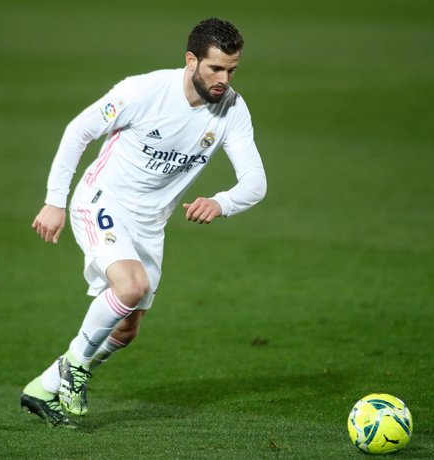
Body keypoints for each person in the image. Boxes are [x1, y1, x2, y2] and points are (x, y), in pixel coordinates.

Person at [20, 17, 267, 427]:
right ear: (191, 60)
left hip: (151, 223)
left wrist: (221, 202)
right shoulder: (143, 91)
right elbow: (79, 130)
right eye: (216, 68)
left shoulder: (232, 109)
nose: (225, 79)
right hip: (102, 199)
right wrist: (54, 201)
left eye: (232, 69)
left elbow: (255, 182)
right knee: (132, 286)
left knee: (126, 330)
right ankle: (76, 369)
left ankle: (44, 386)